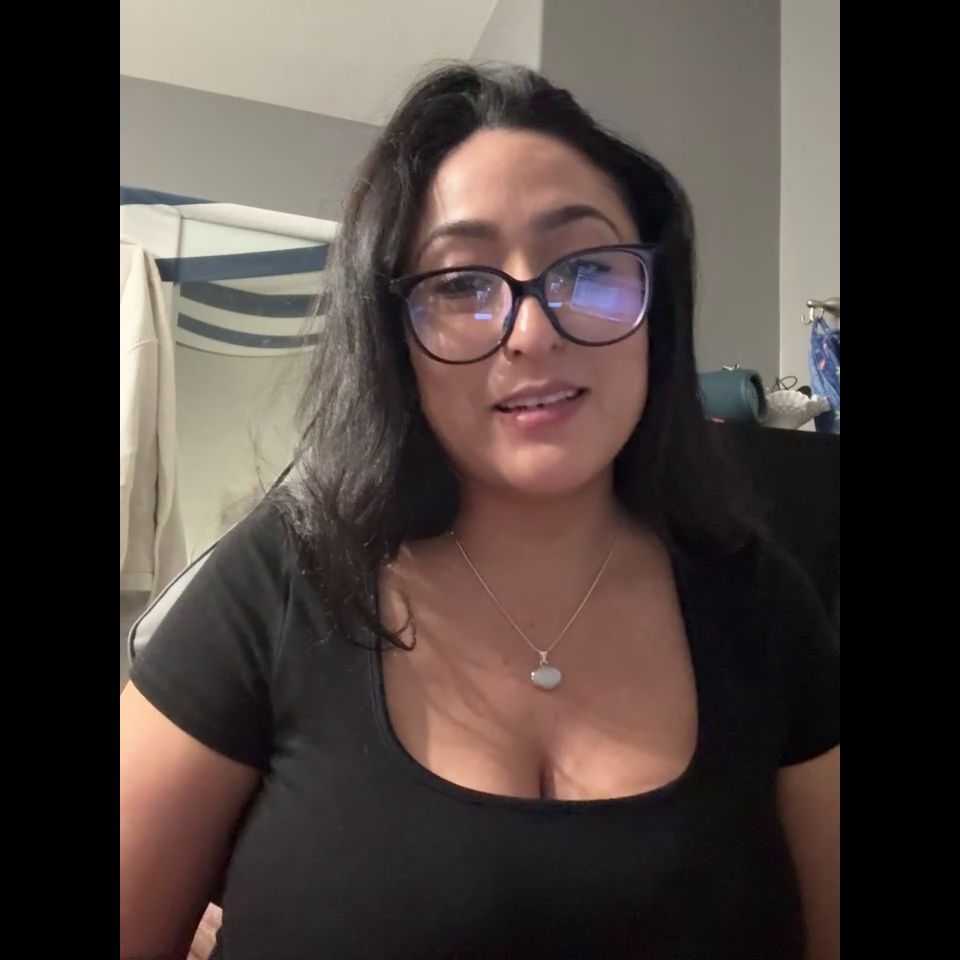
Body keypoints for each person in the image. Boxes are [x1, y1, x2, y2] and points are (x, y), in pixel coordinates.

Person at [120, 62, 839, 960]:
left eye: (587, 268)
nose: (533, 331)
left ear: (657, 304)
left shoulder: (762, 605)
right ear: (393, 335)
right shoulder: (278, 585)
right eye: (460, 284)